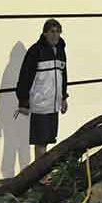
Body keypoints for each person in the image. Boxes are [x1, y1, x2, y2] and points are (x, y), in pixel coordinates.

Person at [15, 19, 69, 161]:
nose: (55, 35)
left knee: (47, 141)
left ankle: (41, 174)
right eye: (52, 31)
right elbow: (25, 78)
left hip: (53, 105)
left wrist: (63, 97)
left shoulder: (61, 51)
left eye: (58, 32)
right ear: (45, 33)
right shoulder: (35, 51)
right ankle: (39, 176)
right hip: (40, 105)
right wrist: (23, 102)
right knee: (40, 142)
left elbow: (63, 76)